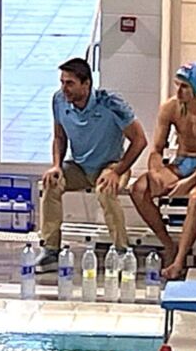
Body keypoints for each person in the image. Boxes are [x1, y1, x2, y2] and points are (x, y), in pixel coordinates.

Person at [36, 58, 148, 272]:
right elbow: (59, 137)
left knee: (106, 190)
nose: (64, 88)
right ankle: (51, 249)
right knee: (51, 183)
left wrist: (118, 171)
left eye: (70, 83)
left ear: (86, 84)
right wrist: (56, 165)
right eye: (62, 82)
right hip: (79, 165)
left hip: (111, 164)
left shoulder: (111, 103)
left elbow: (140, 140)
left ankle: (122, 251)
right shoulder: (59, 101)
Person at [130, 62, 196, 267]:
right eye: (177, 85)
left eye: (184, 86)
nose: (178, 91)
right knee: (139, 189)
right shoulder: (170, 107)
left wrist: (189, 182)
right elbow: (157, 148)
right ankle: (168, 243)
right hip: (181, 162)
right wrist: (155, 172)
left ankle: (180, 258)